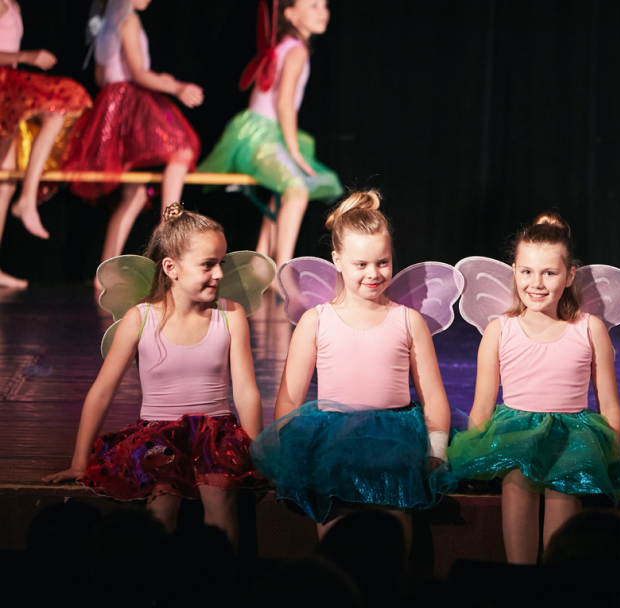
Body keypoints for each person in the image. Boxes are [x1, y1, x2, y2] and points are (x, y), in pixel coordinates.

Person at [43, 205, 265, 548]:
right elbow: (103, 391)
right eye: (208, 264)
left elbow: (247, 392)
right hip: (159, 432)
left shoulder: (230, 314)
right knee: (161, 503)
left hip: (215, 433)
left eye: (221, 262)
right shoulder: (141, 318)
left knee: (220, 501)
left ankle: (223, 584)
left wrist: (256, 454)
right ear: (171, 268)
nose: (219, 273)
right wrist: (77, 461)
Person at [250, 190, 454, 542]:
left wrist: (436, 450)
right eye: (361, 264)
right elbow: (289, 398)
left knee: (394, 524)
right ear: (337, 260)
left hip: (394, 437)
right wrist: (290, 453)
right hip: (332, 438)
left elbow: (433, 395)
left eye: (383, 262)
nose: (373, 274)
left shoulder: (408, 321)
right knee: (335, 528)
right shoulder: (316, 321)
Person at [447, 213, 620, 564]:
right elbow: (483, 404)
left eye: (549, 273)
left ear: (569, 276)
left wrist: (609, 457)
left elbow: (609, 403)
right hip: (517, 432)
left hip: (574, 434)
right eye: (526, 271)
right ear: (514, 272)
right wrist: (472, 457)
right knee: (519, 476)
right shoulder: (500, 330)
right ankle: (521, 581)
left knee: (564, 488)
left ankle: (556, 584)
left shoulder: (589, 328)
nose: (536, 283)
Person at [197, 0, 343, 290]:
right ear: (289, 13)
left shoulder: (285, 46)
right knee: (297, 190)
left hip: (254, 133)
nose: (323, 11)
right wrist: (294, 151)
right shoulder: (297, 50)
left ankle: (261, 261)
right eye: (313, 5)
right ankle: (281, 270)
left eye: (324, 5)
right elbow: (285, 104)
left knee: (285, 188)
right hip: (260, 137)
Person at [61, 0, 202, 288]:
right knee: (181, 147)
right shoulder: (129, 20)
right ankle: (169, 218)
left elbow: (102, 76)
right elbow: (138, 73)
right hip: (128, 102)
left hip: (110, 106)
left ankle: (104, 272)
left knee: (134, 195)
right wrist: (176, 87)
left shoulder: (107, 21)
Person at [0, 0, 91, 285]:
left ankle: (26, 197)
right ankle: (26, 199)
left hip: (9, 91)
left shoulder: (13, 5)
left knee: (5, 181)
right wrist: (27, 55)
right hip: (5, 86)